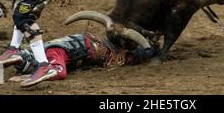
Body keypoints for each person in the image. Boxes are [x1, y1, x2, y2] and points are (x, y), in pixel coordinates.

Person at [12, 33, 159, 81]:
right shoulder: (43, 51)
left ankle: (153, 46)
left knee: (126, 58)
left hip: (95, 49)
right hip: (90, 46)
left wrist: (29, 78)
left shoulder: (51, 54)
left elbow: (59, 72)